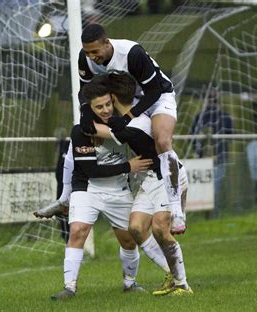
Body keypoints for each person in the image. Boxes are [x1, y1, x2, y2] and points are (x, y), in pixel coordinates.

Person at [78, 23, 186, 234]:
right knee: (80, 134)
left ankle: (176, 209)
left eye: (95, 51)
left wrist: (128, 117)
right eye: (87, 52)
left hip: (156, 98)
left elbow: (154, 91)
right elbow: (85, 92)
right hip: (124, 103)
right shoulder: (86, 59)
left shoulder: (132, 53)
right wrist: (85, 115)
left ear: (107, 43)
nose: (91, 56)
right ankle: (66, 199)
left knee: (162, 140)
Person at [50, 81, 154, 301]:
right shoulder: (80, 131)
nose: (106, 110)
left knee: (128, 240)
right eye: (99, 107)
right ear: (89, 108)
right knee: (78, 230)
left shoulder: (124, 125)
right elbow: (90, 169)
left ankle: (130, 283)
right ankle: (69, 288)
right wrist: (128, 166)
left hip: (119, 189)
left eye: (108, 104)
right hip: (87, 188)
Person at [92, 72, 192, 296]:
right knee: (136, 228)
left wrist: (83, 124)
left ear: (113, 98)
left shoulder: (131, 126)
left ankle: (182, 285)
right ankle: (170, 272)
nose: (106, 107)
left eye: (107, 101)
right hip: (151, 178)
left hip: (169, 177)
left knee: (159, 229)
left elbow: (100, 131)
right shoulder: (134, 114)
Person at [190, 88, 233, 217]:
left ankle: (213, 216)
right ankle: (209, 215)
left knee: (214, 189)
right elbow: (193, 138)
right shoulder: (200, 117)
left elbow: (229, 137)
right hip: (206, 160)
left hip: (217, 158)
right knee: (210, 189)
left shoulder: (223, 117)